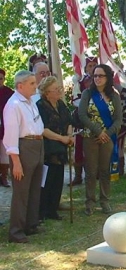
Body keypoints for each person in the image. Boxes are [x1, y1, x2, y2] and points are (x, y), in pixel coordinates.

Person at [3, 70, 44, 243]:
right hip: (24, 146)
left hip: (37, 144)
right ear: (20, 86)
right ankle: (16, 230)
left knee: (35, 187)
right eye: (32, 84)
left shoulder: (30, 101)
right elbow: (11, 136)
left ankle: (30, 224)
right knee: (21, 191)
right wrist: (16, 161)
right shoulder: (13, 105)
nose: (36, 86)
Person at [78, 64, 122, 216]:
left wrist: (107, 134)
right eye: (95, 76)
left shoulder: (114, 95)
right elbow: (82, 115)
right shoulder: (87, 94)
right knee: (90, 171)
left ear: (107, 77)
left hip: (107, 138)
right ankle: (90, 202)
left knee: (104, 170)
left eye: (100, 75)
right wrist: (98, 132)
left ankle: (105, 201)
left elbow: (118, 120)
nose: (97, 78)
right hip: (90, 137)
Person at [36, 76, 74, 221]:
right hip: (48, 147)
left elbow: (69, 121)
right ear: (47, 92)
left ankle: (53, 208)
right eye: (56, 89)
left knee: (58, 178)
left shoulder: (61, 104)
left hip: (62, 146)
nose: (59, 91)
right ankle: (42, 210)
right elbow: (43, 129)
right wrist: (61, 138)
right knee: (47, 179)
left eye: (59, 88)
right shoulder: (40, 106)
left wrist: (69, 135)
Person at [70, 56, 98, 186]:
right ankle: (78, 176)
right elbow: (75, 100)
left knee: (95, 146)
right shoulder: (80, 81)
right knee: (80, 147)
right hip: (82, 118)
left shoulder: (101, 79)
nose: (92, 68)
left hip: (97, 118)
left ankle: (93, 173)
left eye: (94, 65)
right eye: (90, 66)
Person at [0, 69, 14, 187]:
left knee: (4, 154)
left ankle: (4, 177)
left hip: (5, 127)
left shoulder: (9, 92)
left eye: (1, 78)